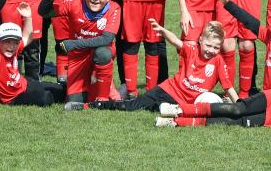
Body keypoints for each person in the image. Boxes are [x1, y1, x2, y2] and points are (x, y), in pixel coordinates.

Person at [86, 22, 238, 113]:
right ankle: (94, 105)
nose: (211, 50)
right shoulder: (192, 50)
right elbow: (176, 41)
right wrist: (164, 32)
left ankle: (165, 109)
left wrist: (240, 105)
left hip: (184, 103)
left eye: (216, 47)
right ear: (200, 40)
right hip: (168, 90)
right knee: (133, 106)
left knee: (161, 110)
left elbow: (228, 87)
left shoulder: (218, 61)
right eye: (208, 45)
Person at [39, 0, 120, 108]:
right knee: (74, 100)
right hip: (78, 57)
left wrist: (73, 44)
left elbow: (107, 39)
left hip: (98, 53)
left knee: (103, 53)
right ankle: (102, 87)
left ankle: (104, 97)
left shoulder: (114, 8)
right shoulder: (74, 3)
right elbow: (43, 12)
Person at [0, 3, 65, 107]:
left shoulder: (13, 49)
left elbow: (27, 37)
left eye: (15, 42)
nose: (11, 46)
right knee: (45, 98)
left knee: (61, 89)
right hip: (13, 97)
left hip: (24, 84)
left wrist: (28, 18)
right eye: (7, 41)